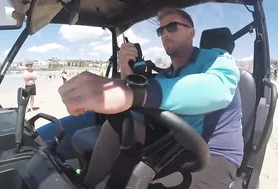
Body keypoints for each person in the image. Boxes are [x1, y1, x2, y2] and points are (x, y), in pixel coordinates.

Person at [40, 8, 243, 189]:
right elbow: (141, 113)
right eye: (160, 30)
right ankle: (88, 183)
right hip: (173, 143)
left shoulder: (216, 58)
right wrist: (127, 75)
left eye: (171, 27)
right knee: (117, 124)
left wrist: (134, 91)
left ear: (191, 32)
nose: (164, 34)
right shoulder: (167, 75)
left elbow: (219, 89)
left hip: (215, 154)